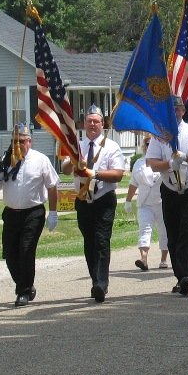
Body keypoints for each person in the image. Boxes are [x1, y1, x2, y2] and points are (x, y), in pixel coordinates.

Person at [0, 124, 59, 307]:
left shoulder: (40, 160)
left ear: (29, 142)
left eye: (22, 141)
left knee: (26, 250)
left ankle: (23, 292)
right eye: (14, 141)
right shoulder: (6, 160)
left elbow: (52, 186)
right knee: (10, 254)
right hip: (11, 214)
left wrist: (53, 212)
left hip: (33, 212)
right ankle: (26, 284)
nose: (18, 145)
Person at [61, 106, 126, 303]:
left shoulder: (111, 146)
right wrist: (74, 161)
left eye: (96, 121)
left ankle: (101, 284)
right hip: (83, 200)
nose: (92, 125)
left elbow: (118, 174)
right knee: (89, 242)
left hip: (103, 199)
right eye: (89, 121)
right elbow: (65, 169)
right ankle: (95, 280)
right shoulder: (77, 146)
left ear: (102, 124)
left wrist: (95, 174)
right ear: (83, 124)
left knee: (102, 240)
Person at [146, 95, 188, 296]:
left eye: (177, 109)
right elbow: (153, 163)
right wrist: (170, 164)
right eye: (171, 110)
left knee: (186, 231)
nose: (174, 113)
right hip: (169, 187)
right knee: (172, 234)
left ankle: (187, 276)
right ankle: (180, 277)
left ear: (183, 111)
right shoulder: (158, 134)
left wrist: (184, 157)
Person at [125, 133, 168, 271]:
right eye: (148, 144)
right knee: (144, 230)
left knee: (164, 231)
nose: (151, 147)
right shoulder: (139, 163)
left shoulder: (165, 161)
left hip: (162, 202)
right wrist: (128, 200)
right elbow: (134, 182)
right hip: (144, 203)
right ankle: (143, 259)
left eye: (154, 144)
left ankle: (164, 259)